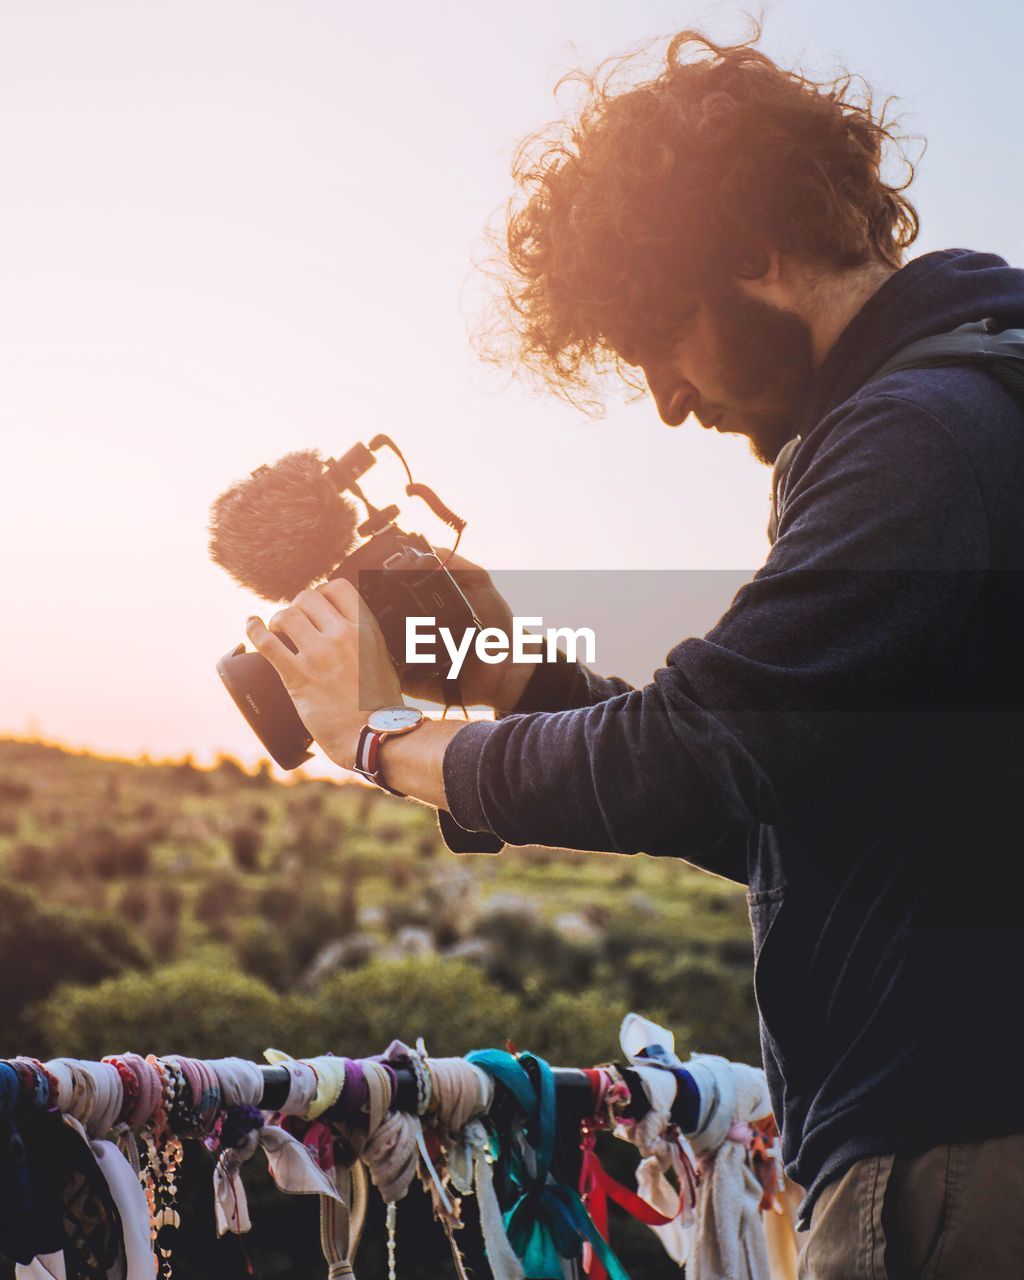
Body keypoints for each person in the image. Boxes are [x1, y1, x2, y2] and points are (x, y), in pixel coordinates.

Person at [244, 26, 1024, 1278]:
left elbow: (694, 752)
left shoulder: (915, 439)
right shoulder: (974, 395)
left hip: (955, 1172)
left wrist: (381, 738)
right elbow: (774, 797)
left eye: (663, 338)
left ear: (753, 253)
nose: (667, 399)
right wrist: (509, 675)